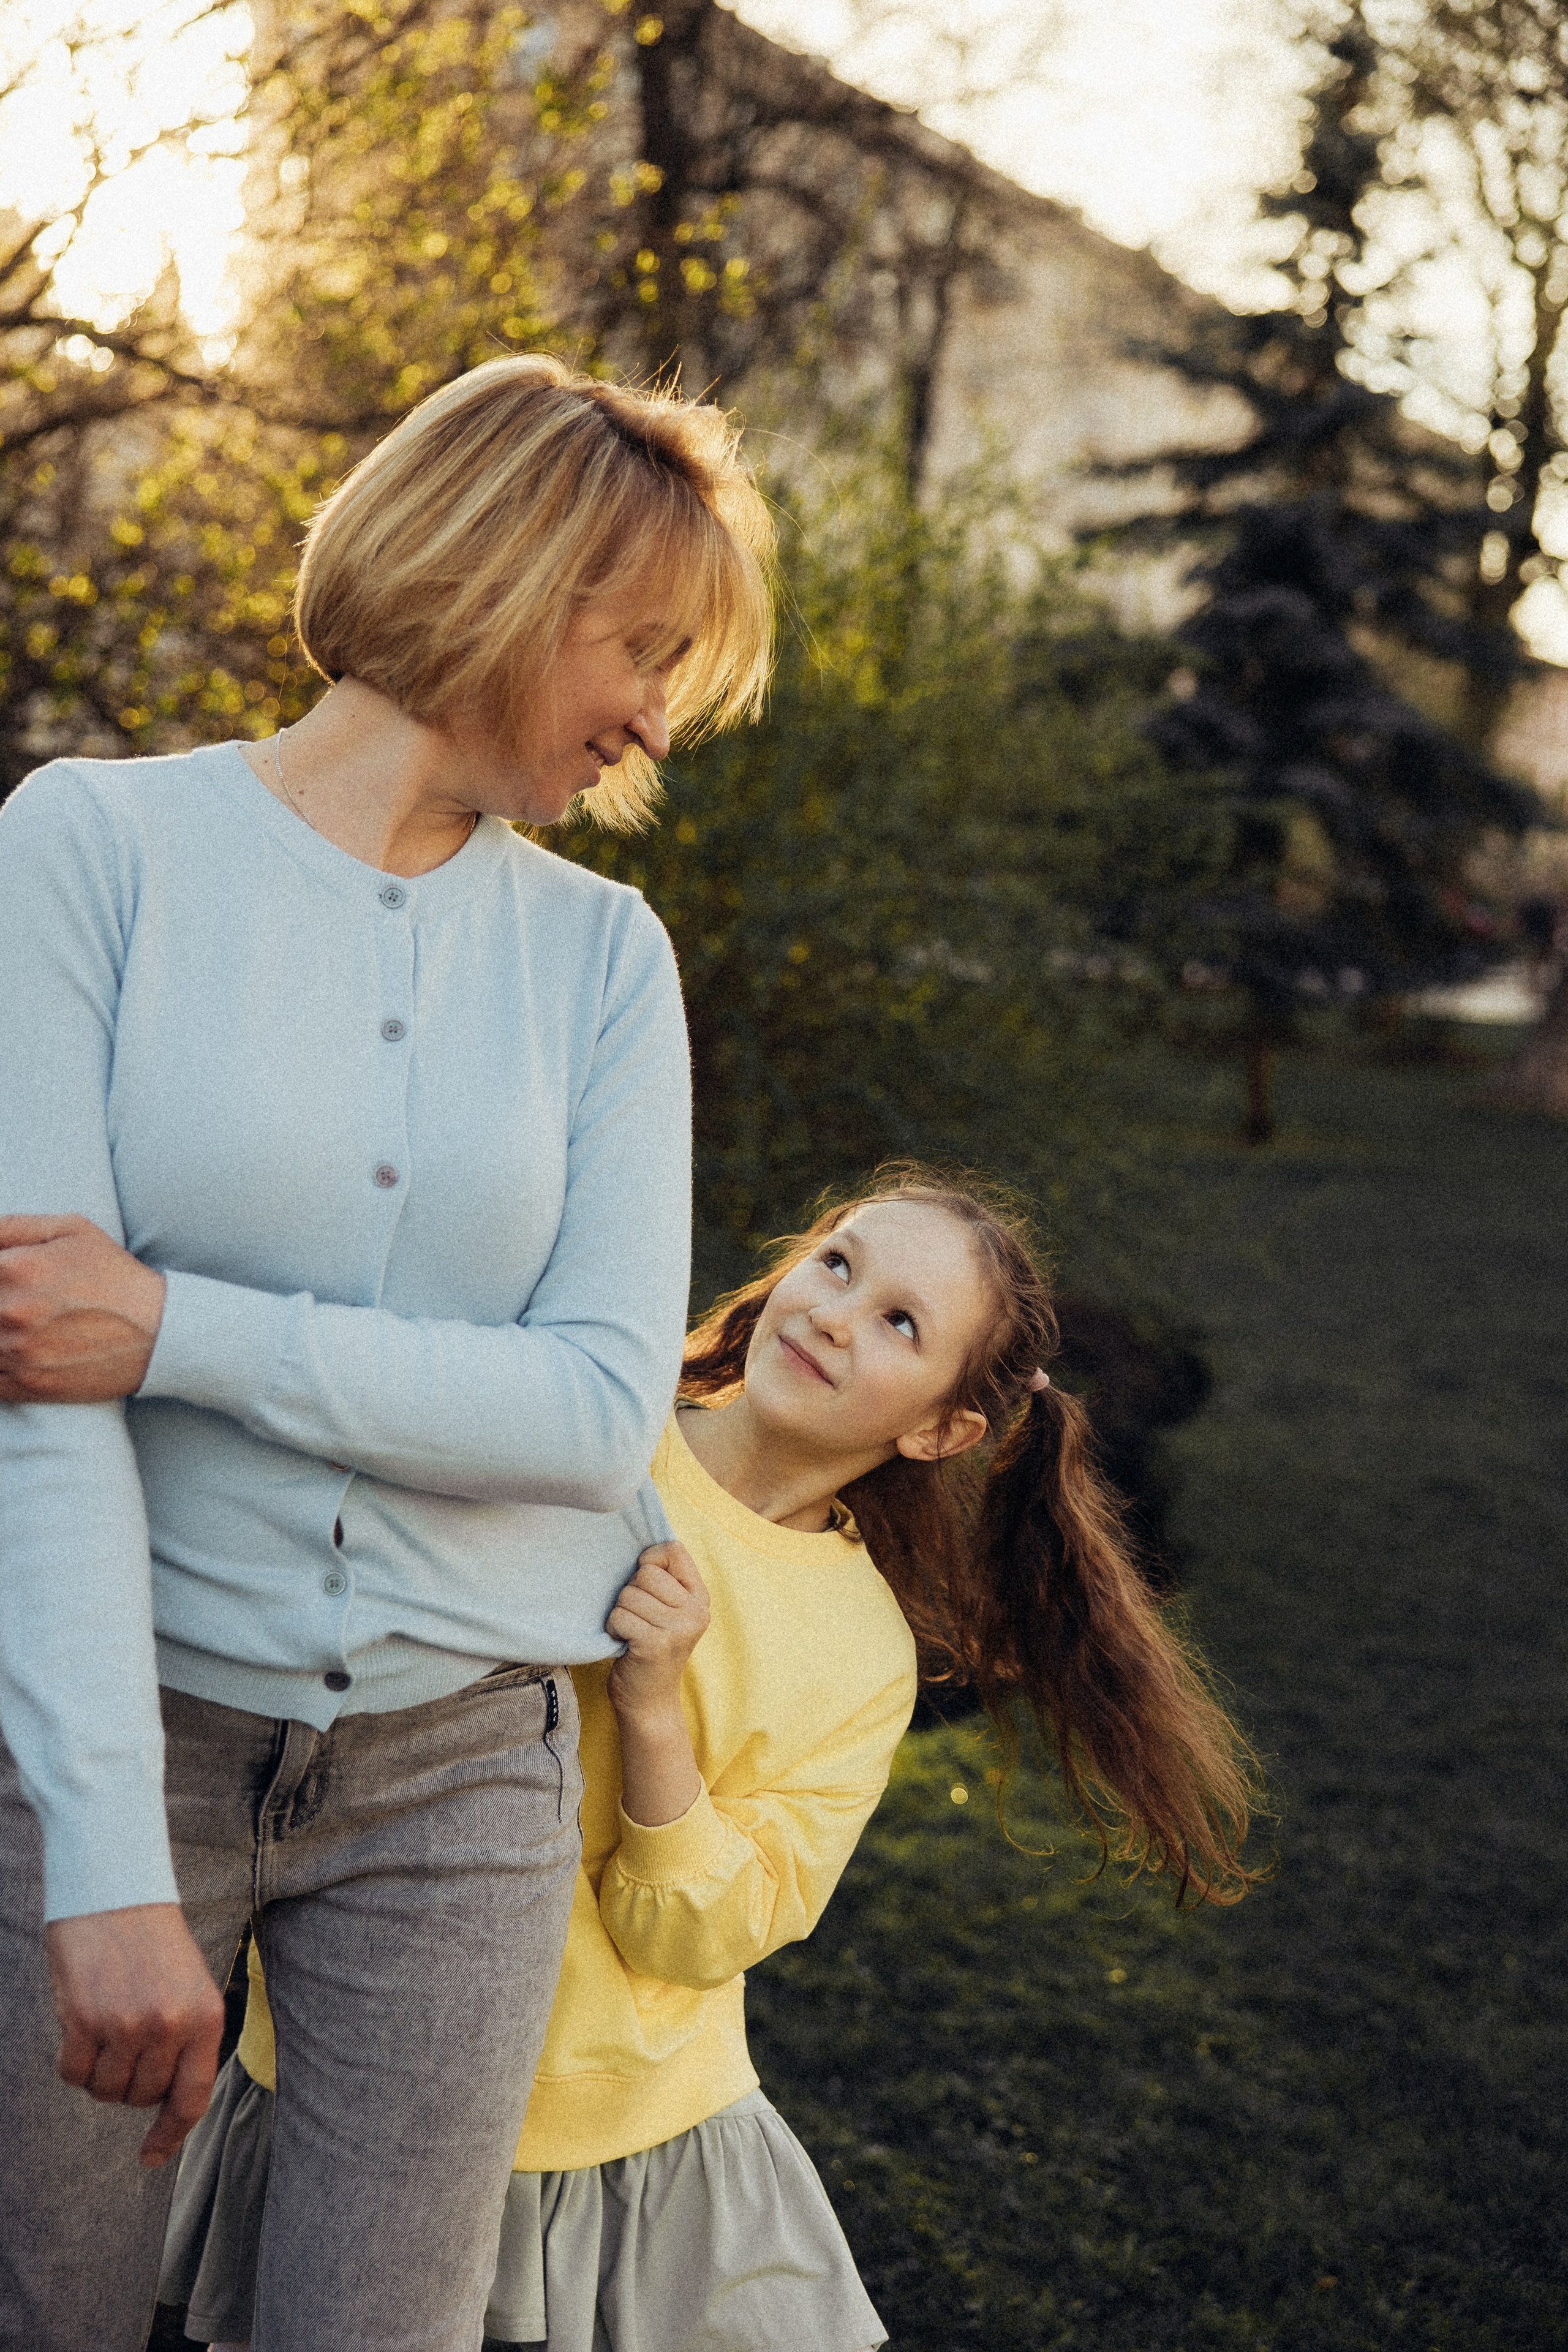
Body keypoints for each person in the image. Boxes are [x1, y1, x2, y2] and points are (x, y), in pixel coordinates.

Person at [0, 354, 775, 2352]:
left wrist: (175, 1328)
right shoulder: (92, 851)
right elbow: (33, 1400)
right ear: (511, 578)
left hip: (463, 1780)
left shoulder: (606, 959)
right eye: (644, 646)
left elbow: (598, 1403)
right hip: (116, 1733)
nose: (660, 715)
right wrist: (98, 1863)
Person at [160, 1166, 1261, 2352]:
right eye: (836, 1262)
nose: (835, 1313)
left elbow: (706, 1932)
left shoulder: (859, 1650)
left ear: (940, 1428)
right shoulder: (594, 1437)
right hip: (359, 2060)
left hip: (606, 2133)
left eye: (899, 1323)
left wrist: (652, 1714)